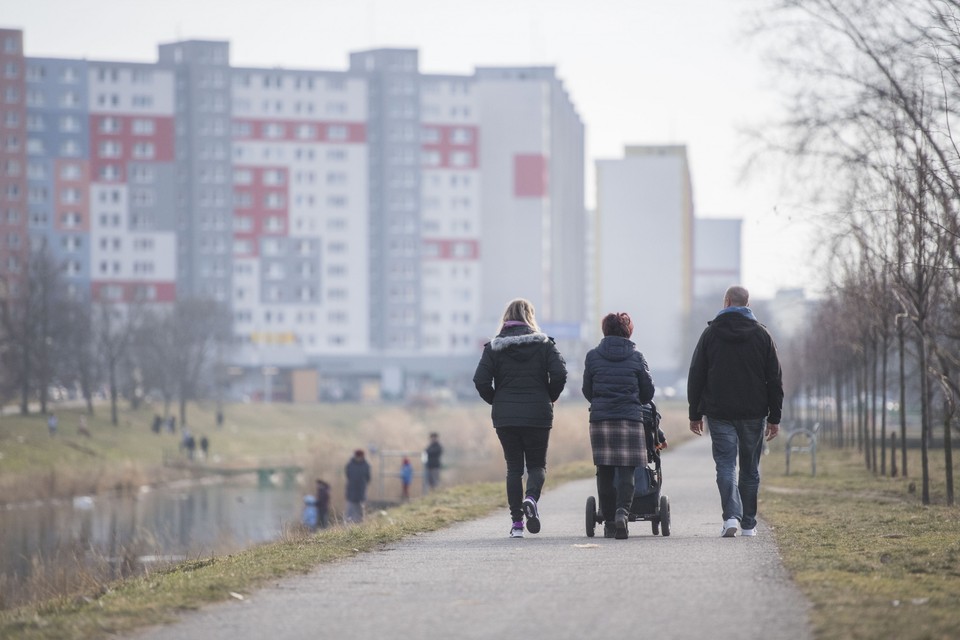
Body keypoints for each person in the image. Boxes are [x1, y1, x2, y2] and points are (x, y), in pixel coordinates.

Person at [687, 285, 783, 538]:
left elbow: (696, 374)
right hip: (754, 411)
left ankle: (731, 517)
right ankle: (748, 525)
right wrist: (775, 417)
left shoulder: (710, 334)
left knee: (726, 465)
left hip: (719, 412)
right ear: (747, 304)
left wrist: (694, 413)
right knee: (750, 469)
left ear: (727, 302)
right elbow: (775, 379)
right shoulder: (762, 335)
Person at [473, 298, 567, 538]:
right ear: (530, 317)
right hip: (538, 413)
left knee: (514, 469)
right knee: (537, 466)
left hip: (506, 417)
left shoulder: (494, 347)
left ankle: (517, 525)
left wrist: (497, 401)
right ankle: (531, 498)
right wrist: (550, 396)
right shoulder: (545, 344)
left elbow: (480, 380)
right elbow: (560, 373)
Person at [582, 312, 655, 539]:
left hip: (601, 420)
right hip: (629, 419)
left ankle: (610, 522)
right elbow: (648, 392)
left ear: (605, 330)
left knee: (604, 470)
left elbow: (587, 390)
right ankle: (623, 512)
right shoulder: (637, 357)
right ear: (627, 331)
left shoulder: (593, 356)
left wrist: (601, 402)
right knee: (627, 470)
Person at [344, 450, 371, 523]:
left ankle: (360, 525)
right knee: (350, 510)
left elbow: (368, 478)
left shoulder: (366, 465)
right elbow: (348, 475)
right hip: (351, 491)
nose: (359, 458)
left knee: (360, 510)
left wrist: (363, 485)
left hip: (361, 492)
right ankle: (348, 525)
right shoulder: (350, 465)